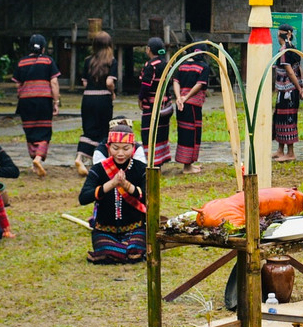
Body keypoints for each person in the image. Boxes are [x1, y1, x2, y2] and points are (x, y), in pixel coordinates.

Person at [78, 122, 148, 264]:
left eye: (126, 148)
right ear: (108, 148)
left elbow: (148, 197)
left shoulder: (141, 169)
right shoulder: (99, 169)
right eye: (115, 148)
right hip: (104, 230)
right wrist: (112, 184)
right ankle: (115, 251)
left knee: (135, 252)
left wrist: (126, 185)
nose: (120, 153)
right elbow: (84, 198)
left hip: (134, 228)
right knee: (114, 252)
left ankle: (120, 251)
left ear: (133, 149)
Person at [12, 33, 60, 177]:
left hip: (26, 101)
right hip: (43, 101)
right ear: (43, 48)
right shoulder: (48, 61)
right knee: (44, 132)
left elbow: (17, 85)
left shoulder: (21, 62)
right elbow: (54, 82)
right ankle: (39, 158)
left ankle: (34, 160)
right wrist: (56, 101)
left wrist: (22, 96)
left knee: (30, 131)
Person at [75, 31, 117, 176]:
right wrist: (112, 92)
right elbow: (109, 82)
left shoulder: (88, 60)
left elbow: (85, 82)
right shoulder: (111, 60)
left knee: (89, 129)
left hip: (87, 98)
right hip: (103, 98)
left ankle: (80, 158)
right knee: (103, 130)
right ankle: (101, 161)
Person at [172, 50, 210, 174]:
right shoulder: (203, 67)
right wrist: (186, 97)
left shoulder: (181, 65)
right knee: (191, 134)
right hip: (192, 105)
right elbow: (199, 85)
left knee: (183, 132)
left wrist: (179, 97)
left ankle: (188, 165)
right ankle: (187, 167)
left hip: (181, 104)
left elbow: (176, 82)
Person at [272, 24, 303, 162]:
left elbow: (291, 71)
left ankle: (290, 152)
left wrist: (299, 87)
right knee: (279, 118)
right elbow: (300, 69)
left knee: (288, 120)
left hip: (289, 91)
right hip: (283, 90)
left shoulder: (287, 49)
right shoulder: (288, 48)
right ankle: (280, 150)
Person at [138, 37, 173, 166]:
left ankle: (153, 161)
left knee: (149, 132)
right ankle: (161, 159)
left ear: (149, 50)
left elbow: (146, 85)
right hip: (165, 105)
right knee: (161, 132)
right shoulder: (167, 64)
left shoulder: (151, 65)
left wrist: (141, 98)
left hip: (152, 105)